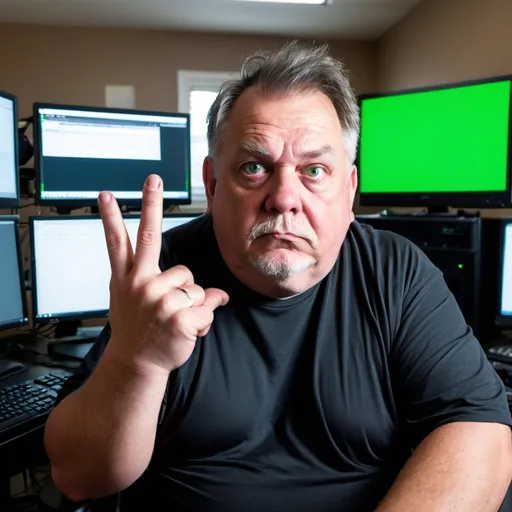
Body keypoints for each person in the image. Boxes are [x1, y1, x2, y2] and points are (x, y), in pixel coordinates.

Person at [44, 41, 512, 512]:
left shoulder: (397, 272)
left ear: (348, 190)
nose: (284, 197)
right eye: (254, 167)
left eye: (314, 169)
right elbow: (79, 478)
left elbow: (479, 433)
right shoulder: (164, 275)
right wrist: (136, 362)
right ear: (211, 186)